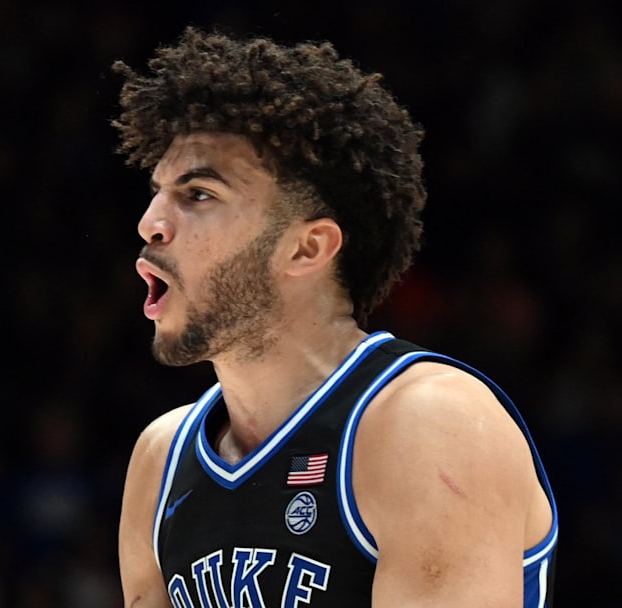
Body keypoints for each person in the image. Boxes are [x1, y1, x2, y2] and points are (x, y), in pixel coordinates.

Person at [113, 27, 557, 608]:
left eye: (198, 194)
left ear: (307, 248)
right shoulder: (161, 461)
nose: (150, 222)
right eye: (158, 191)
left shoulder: (428, 426)